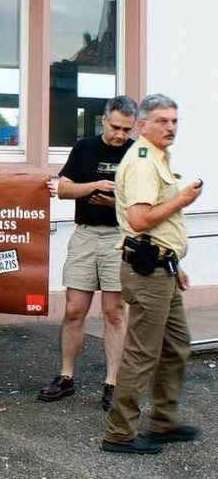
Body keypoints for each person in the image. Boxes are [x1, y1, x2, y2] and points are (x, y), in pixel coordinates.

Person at [101, 94, 202, 455]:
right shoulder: (144, 161)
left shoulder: (157, 157)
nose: (171, 127)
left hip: (162, 267)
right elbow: (140, 220)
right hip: (148, 271)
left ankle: (163, 420)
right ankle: (119, 433)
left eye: (174, 120)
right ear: (142, 125)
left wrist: (176, 266)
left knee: (176, 345)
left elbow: (159, 227)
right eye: (162, 120)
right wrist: (183, 199)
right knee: (142, 353)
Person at [39, 96, 137, 409]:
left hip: (118, 238)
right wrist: (97, 185)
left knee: (114, 313)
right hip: (84, 235)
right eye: (116, 127)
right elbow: (63, 189)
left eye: (126, 129)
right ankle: (66, 377)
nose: (120, 135)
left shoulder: (137, 152)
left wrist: (116, 201)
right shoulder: (85, 148)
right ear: (104, 120)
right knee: (73, 310)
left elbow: (144, 201)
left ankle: (113, 383)